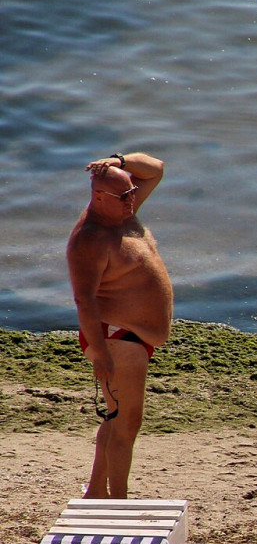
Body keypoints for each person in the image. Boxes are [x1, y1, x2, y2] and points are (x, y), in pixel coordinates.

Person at [67, 151, 174, 499]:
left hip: (134, 336)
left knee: (116, 417)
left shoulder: (123, 212)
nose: (132, 199)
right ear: (99, 197)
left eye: (132, 193)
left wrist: (118, 161)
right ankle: (119, 503)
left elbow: (155, 169)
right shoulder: (91, 238)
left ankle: (97, 493)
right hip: (115, 336)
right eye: (125, 195)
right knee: (127, 424)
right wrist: (99, 352)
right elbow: (84, 300)